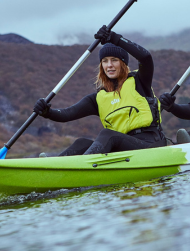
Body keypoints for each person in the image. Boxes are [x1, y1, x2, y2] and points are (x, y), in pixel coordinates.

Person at [33, 26, 166, 156]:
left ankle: (81, 168)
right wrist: (47, 112)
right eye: (105, 61)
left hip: (150, 145)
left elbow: (146, 58)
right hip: (123, 150)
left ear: (123, 64)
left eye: (114, 60)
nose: (109, 65)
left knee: (107, 134)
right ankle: (54, 167)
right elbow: (66, 114)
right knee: (81, 143)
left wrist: (115, 38)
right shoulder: (98, 98)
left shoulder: (140, 81)